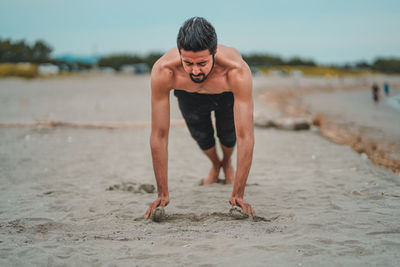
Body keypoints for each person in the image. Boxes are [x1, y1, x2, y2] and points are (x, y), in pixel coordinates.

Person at [144, 17, 255, 218]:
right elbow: (159, 135)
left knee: (228, 136)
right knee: (202, 138)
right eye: (188, 63)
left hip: (225, 94)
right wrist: (162, 193)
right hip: (189, 96)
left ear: (214, 53)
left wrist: (239, 193)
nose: (195, 71)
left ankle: (227, 163)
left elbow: (246, 135)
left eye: (202, 63)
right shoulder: (164, 71)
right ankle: (215, 164)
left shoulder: (235, 71)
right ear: (179, 54)